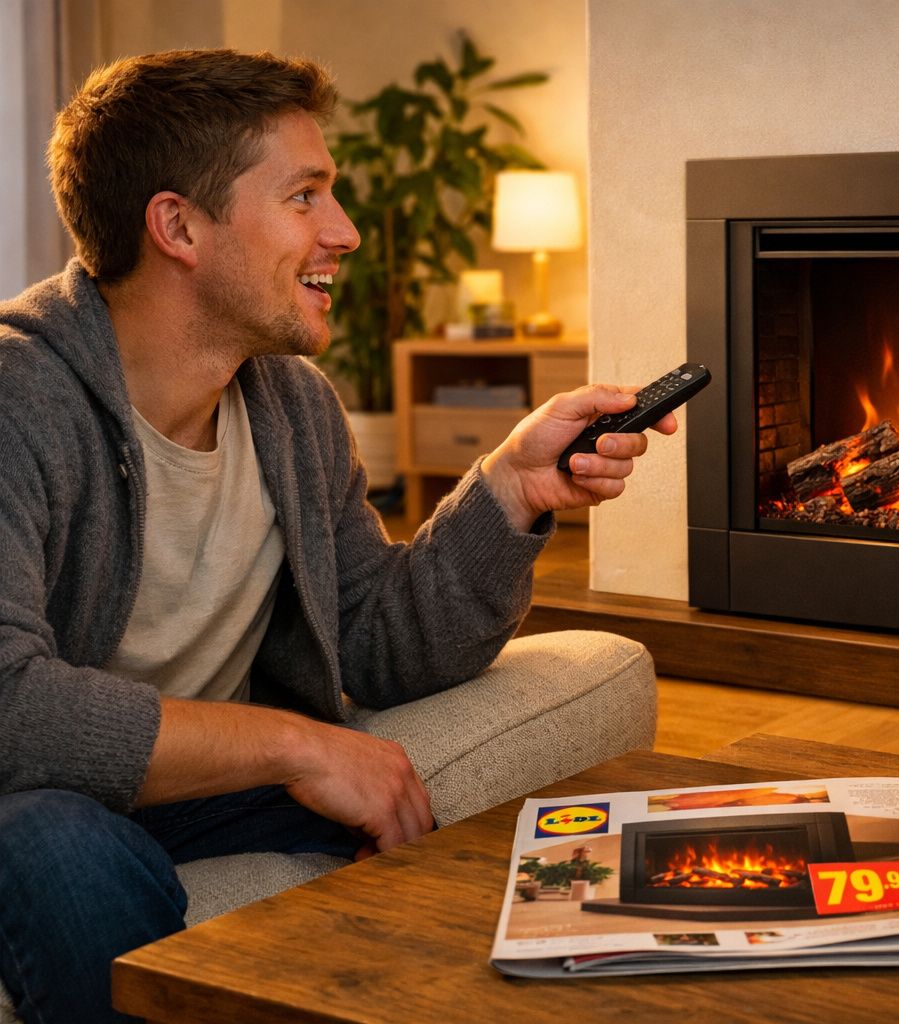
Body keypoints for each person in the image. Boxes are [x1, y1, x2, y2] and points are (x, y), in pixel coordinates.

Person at [0, 48, 674, 1022]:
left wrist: (514, 487)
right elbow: (11, 708)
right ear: (178, 225)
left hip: (204, 792)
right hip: (49, 796)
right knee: (56, 850)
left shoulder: (290, 405)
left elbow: (377, 641)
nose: (345, 231)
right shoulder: (22, 396)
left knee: (458, 826)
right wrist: (298, 746)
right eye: (306, 195)